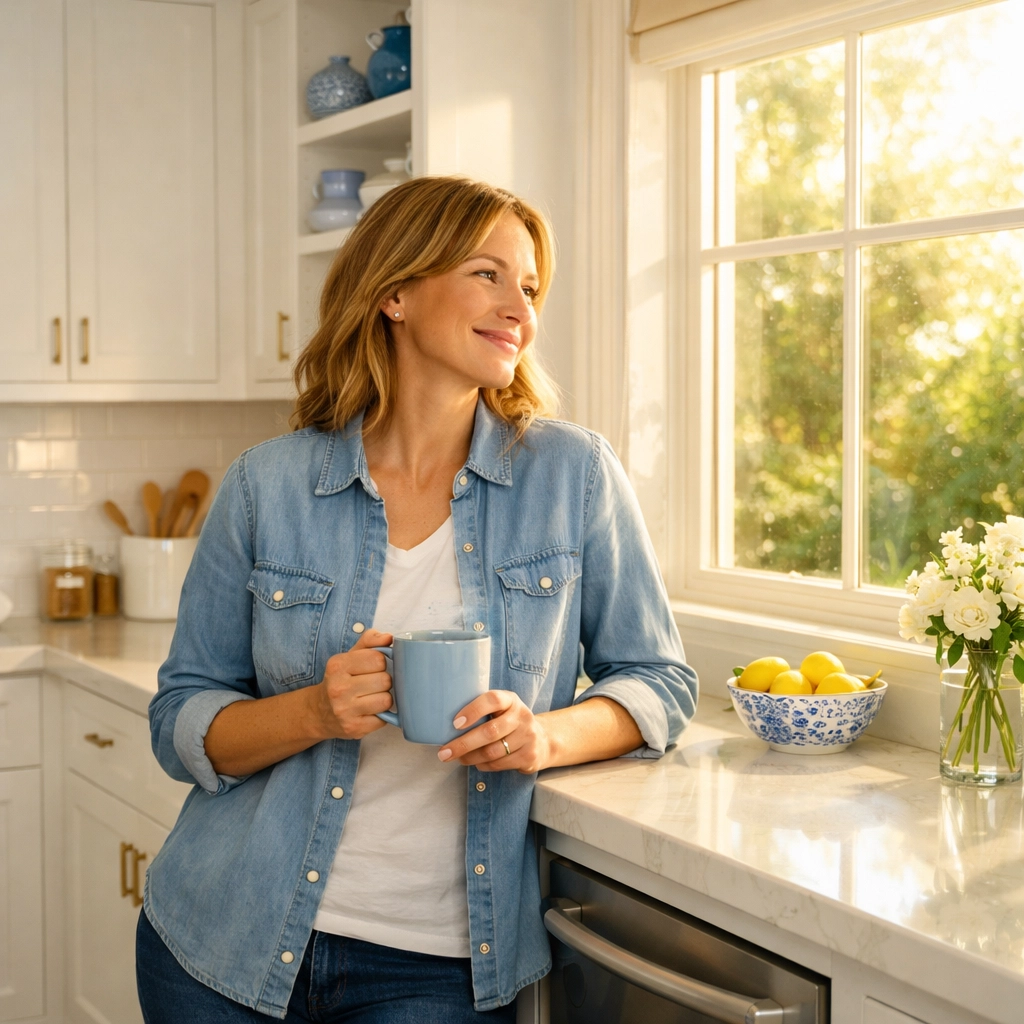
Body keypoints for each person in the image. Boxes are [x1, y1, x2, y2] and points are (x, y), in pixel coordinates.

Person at [139, 176, 698, 1023]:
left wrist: (541, 734)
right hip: (227, 938)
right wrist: (315, 712)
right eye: (488, 275)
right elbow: (182, 719)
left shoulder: (572, 476)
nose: (521, 309)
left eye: (531, 288)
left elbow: (658, 681)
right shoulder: (268, 484)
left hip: (436, 969)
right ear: (395, 292)